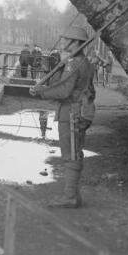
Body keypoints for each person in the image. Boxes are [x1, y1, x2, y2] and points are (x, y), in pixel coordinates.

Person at [30, 26, 95, 208]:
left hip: (71, 114)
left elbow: (63, 91)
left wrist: (41, 91)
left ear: (76, 43)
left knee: (70, 155)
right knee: (75, 153)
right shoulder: (85, 63)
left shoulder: (75, 64)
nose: (64, 42)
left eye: (68, 40)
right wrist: (59, 68)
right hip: (79, 112)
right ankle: (73, 195)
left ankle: (70, 198)